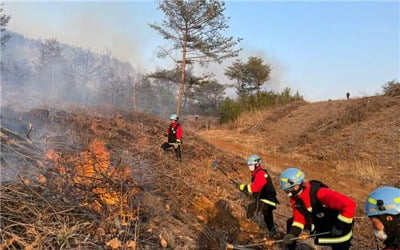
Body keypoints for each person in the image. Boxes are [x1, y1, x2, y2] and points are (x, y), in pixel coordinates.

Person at [279, 167, 356, 250]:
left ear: (296, 187)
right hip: (323, 224)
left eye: (287, 190)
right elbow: (299, 218)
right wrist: (292, 234)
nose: (286, 193)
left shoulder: (320, 193)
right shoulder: (296, 200)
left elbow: (350, 204)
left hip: (340, 230)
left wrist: (339, 226)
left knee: (339, 246)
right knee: (290, 222)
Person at [238, 155, 278, 237]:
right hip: (268, 200)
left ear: (257, 165)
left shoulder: (260, 173)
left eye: (251, 165)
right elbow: (258, 190)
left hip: (267, 200)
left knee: (251, 207)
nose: (250, 167)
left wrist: (244, 187)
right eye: (249, 165)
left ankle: (247, 227)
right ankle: (273, 232)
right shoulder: (257, 174)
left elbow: (256, 187)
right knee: (267, 217)